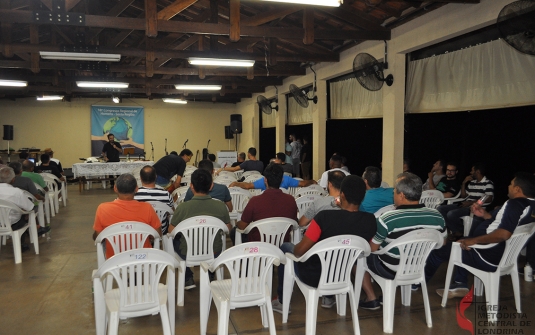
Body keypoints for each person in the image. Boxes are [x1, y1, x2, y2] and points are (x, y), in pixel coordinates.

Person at [272, 175, 377, 313]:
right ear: (363, 196)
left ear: (342, 194)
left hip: (313, 275)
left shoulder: (324, 217)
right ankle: (328, 296)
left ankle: (281, 300)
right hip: (343, 275)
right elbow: (368, 249)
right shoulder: (370, 220)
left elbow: (299, 252)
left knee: (286, 247)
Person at [424, 172, 535, 299]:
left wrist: (474, 241)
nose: (508, 186)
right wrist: (484, 215)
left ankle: (416, 284)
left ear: (517, 189)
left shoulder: (515, 204)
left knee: (439, 249)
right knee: (462, 240)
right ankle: (460, 284)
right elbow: (505, 225)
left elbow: (504, 234)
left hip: (486, 255)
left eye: (511, 184)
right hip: (501, 254)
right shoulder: (531, 205)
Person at [359, 172, 446, 310]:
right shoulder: (437, 215)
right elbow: (442, 242)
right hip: (417, 267)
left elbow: (373, 249)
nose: (393, 195)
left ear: (401, 195)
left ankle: (371, 298)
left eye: (394, 192)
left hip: (390, 269)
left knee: (362, 256)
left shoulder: (388, 217)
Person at [168, 169, 231, 290]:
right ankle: (211, 273)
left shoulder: (182, 208)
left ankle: (187, 278)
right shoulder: (221, 207)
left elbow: (171, 231)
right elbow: (227, 229)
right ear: (211, 185)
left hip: (188, 253)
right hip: (214, 251)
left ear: (191, 186)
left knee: (176, 240)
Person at [92, 173, 162, 259]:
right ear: (136, 189)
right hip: (143, 259)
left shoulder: (102, 208)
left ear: (115, 188)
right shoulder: (147, 208)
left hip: (115, 261)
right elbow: (158, 234)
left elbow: (99, 237)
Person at [232, 164, 298, 244]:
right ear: (282, 180)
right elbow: (295, 223)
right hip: (283, 243)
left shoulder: (255, 201)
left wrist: (236, 223)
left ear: (265, 180)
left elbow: (242, 226)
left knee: (233, 231)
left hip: (259, 245)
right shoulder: (291, 200)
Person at [437, 163, 494, 240]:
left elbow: (489, 198)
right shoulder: (472, 182)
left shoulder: (488, 183)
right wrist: (464, 183)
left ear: (477, 171)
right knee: (440, 209)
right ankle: (458, 230)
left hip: (475, 208)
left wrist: (471, 203)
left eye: (472, 171)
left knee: (451, 214)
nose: (470, 172)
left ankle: (459, 231)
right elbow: (464, 196)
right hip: (465, 204)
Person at [0, 167, 50, 251]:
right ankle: (21, 243)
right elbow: (29, 208)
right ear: (13, 180)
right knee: (26, 214)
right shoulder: (16, 192)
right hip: (12, 222)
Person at [134, 165, 174, 234]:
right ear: (156, 177)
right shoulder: (166, 194)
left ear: (140, 178)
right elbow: (172, 212)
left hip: (140, 232)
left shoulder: (134, 195)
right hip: (161, 231)